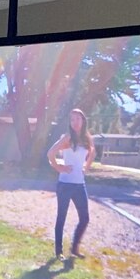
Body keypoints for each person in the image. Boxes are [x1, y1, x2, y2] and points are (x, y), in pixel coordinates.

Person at [47, 108, 95, 260]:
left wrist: (85, 168)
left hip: (80, 185)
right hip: (65, 184)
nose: (75, 122)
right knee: (61, 218)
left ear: (83, 120)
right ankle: (58, 252)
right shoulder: (67, 137)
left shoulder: (87, 138)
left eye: (78, 119)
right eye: (72, 119)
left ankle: (74, 249)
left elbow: (92, 153)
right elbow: (50, 153)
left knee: (85, 218)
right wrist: (58, 167)